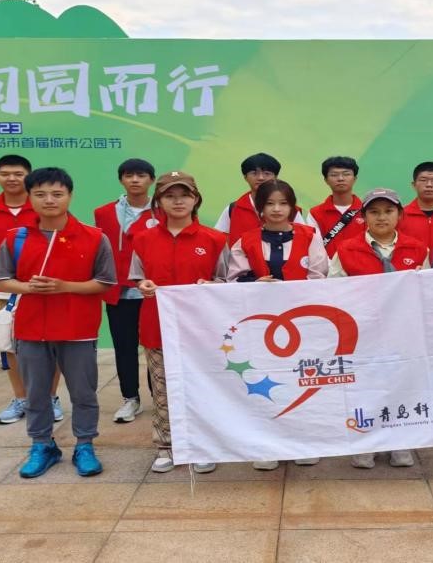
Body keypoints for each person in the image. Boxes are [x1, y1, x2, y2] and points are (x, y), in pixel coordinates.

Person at [0, 167, 116, 478]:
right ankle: (42, 444)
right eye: (40, 194)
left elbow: (105, 282)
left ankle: (85, 445)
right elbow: (2, 279)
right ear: (29, 197)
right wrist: (28, 288)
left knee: (83, 392)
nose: (49, 200)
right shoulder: (16, 238)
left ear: (70, 196)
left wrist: (65, 286)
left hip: (78, 329)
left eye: (57, 194)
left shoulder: (94, 237)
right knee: (36, 392)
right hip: (31, 328)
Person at [130, 171, 229, 475]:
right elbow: (137, 276)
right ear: (158, 201)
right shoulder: (143, 239)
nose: (178, 201)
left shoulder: (215, 239)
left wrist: (211, 285)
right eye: (170, 196)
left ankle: (203, 446)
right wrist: (144, 284)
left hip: (202, 330)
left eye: (184, 195)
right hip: (157, 326)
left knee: (203, 387)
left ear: (196, 199)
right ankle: (166, 446)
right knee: (163, 389)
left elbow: (226, 279)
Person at [227, 179, 327, 470]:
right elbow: (234, 279)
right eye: (269, 203)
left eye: (283, 203)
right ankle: (266, 445)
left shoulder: (310, 236)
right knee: (263, 382)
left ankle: (303, 442)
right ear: (260, 208)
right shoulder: (245, 240)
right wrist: (255, 283)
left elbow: (320, 276)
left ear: (293, 207)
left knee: (300, 380)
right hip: (260, 325)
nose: (276, 209)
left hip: (302, 323)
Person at [330, 188, 429, 468]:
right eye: (374, 212)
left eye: (388, 211)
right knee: (365, 387)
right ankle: (365, 443)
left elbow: (428, 290)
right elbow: (332, 289)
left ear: (400, 214)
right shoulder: (346, 249)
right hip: (363, 332)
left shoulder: (417, 248)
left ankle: (400, 443)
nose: (381, 217)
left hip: (403, 332)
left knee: (402, 385)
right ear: (364, 217)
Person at [0, 155, 63, 425]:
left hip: (37, 287)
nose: (11, 178)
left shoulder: (43, 207)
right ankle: (21, 398)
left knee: (50, 345)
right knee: (8, 346)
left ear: (29, 177)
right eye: (5, 173)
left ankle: (50, 398)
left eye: (18, 173)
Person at [93, 159, 158, 424]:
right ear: (121, 179)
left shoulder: (162, 211)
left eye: (141, 175)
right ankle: (130, 398)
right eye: (129, 175)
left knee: (156, 348)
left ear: (151, 180)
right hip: (118, 291)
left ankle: (160, 398)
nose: (135, 180)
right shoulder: (103, 213)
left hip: (153, 292)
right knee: (124, 347)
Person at [214, 152, 304, 245]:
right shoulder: (233, 208)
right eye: (254, 173)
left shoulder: (291, 210)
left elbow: (304, 239)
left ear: (276, 177)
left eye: (267, 173)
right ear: (245, 177)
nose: (261, 178)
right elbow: (219, 239)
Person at [307, 156, 366, 257]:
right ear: (326, 180)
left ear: (355, 179)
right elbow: (314, 247)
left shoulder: (367, 210)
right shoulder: (315, 213)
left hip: (363, 265)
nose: (340, 178)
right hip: (327, 266)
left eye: (346, 174)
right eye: (334, 175)